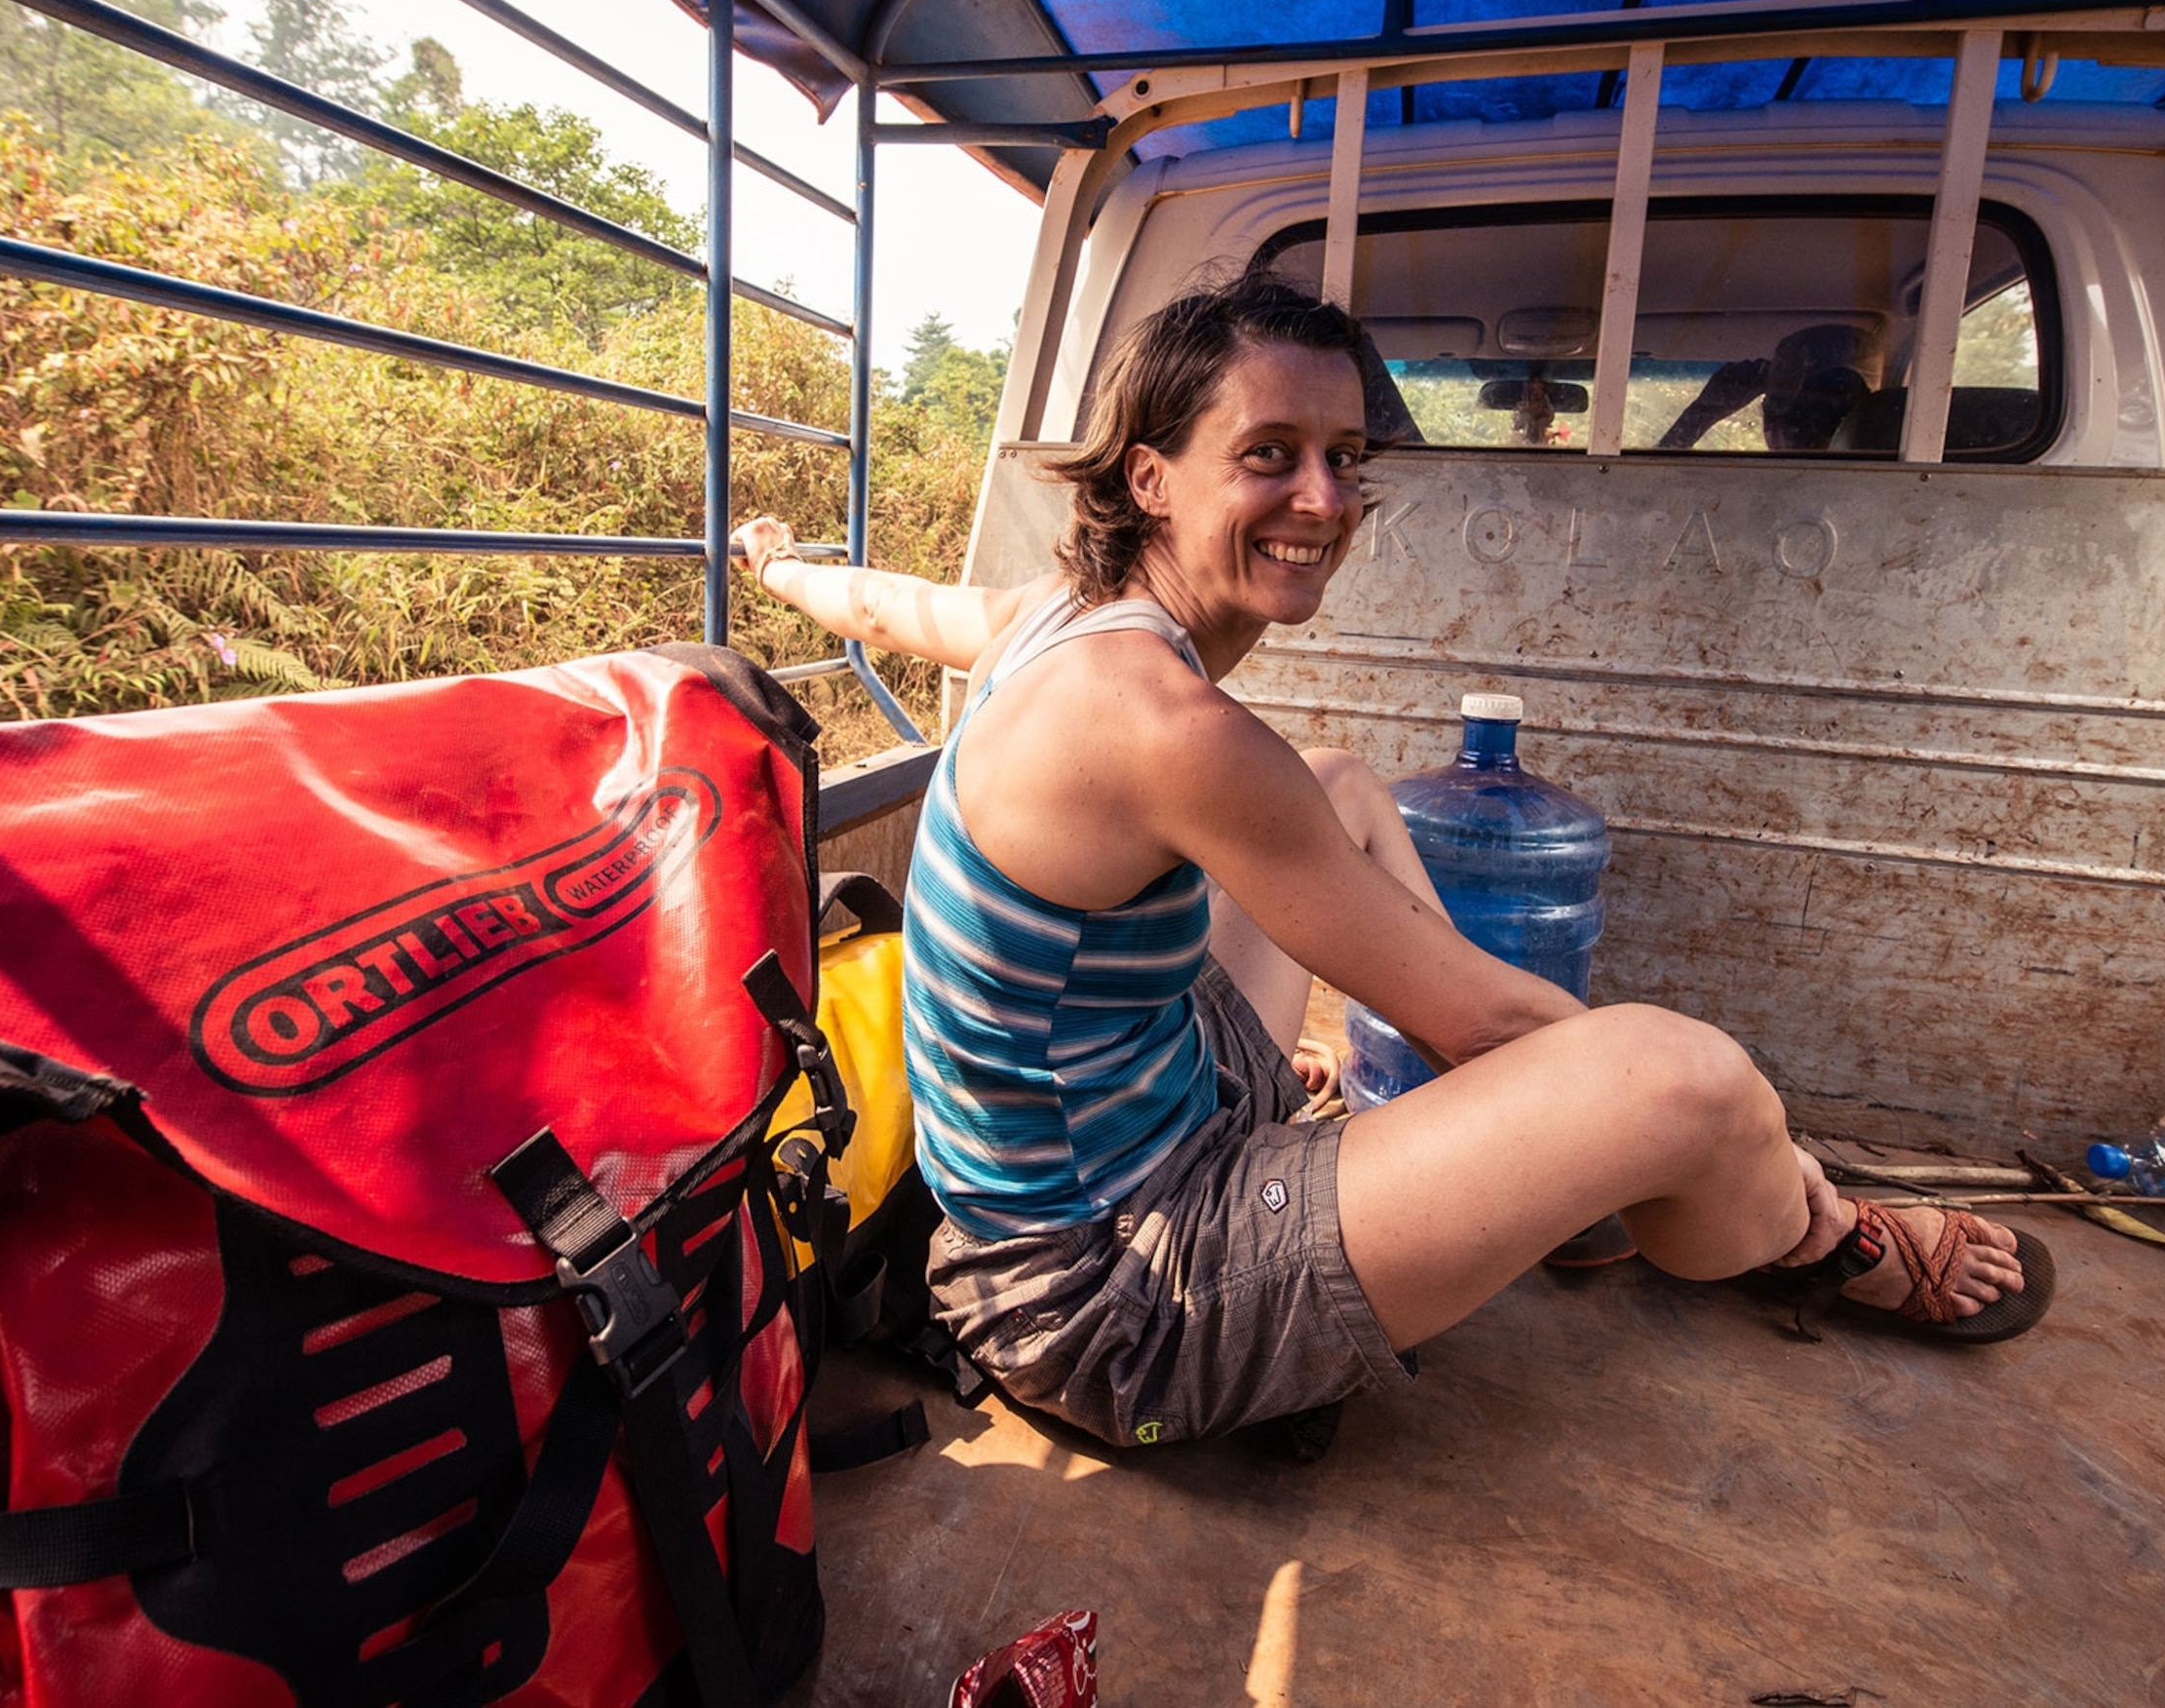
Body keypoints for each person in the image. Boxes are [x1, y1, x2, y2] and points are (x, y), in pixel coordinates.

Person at [730, 266, 2050, 1450]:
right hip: (1108, 1296)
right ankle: (1810, 1236)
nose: (1323, 498)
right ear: (1148, 476)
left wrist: (781, 571)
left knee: (1342, 784)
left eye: (1345, 454)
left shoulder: (1048, 618)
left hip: (1136, 1131)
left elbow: (882, 604)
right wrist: (1743, 1134)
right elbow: (1482, 1023)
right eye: (1269, 453)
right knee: (1688, 1081)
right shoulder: (1169, 727)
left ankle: (1515, 1163)